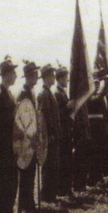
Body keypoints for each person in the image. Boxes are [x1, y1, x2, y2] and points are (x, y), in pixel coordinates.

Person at [0, 56, 19, 213]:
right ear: (6, 74)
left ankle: (9, 212)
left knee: (11, 180)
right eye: (13, 72)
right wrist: (14, 121)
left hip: (11, 145)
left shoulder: (10, 94)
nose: (15, 76)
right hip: (2, 146)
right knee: (3, 181)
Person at [14, 61, 41, 213]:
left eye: (37, 74)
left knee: (30, 170)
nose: (36, 77)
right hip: (25, 138)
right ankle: (26, 202)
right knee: (25, 170)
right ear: (29, 76)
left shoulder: (31, 91)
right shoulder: (24, 93)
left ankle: (29, 201)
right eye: (34, 75)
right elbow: (23, 117)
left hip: (32, 137)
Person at [38, 64, 61, 202]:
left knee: (53, 166)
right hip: (49, 137)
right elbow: (45, 117)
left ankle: (51, 195)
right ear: (46, 77)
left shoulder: (49, 93)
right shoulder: (43, 94)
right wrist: (50, 134)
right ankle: (46, 195)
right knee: (48, 167)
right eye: (52, 75)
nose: (54, 78)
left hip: (53, 135)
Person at [86, 70, 108, 185]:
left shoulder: (97, 96)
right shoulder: (90, 97)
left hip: (100, 126)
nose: (96, 86)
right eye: (94, 84)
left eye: (97, 84)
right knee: (94, 152)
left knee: (100, 151)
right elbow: (104, 91)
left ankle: (98, 175)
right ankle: (93, 178)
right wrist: (105, 79)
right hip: (94, 127)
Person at [54, 66, 74, 196]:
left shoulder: (62, 93)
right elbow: (57, 114)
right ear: (60, 78)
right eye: (65, 77)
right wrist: (67, 107)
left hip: (67, 131)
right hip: (62, 131)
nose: (67, 79)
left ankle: (66, 188)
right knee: (63, 161)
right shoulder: (57, 93)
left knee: (67, 160)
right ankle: (62, 189)